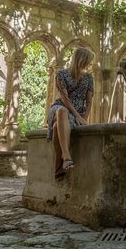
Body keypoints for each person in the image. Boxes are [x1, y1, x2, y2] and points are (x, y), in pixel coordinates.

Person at [47, 47, 95, 181]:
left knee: (57, 127)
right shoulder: (61, 74)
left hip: (77, 114)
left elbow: (89, 101)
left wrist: (84, 119)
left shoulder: (89, 78)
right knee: (62, 111)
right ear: (82, 59)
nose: (89, 64)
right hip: (60, 108)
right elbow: (64, 99)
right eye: (88, 61)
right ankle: (66, 156)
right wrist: (78, 116)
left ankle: (59, 171)